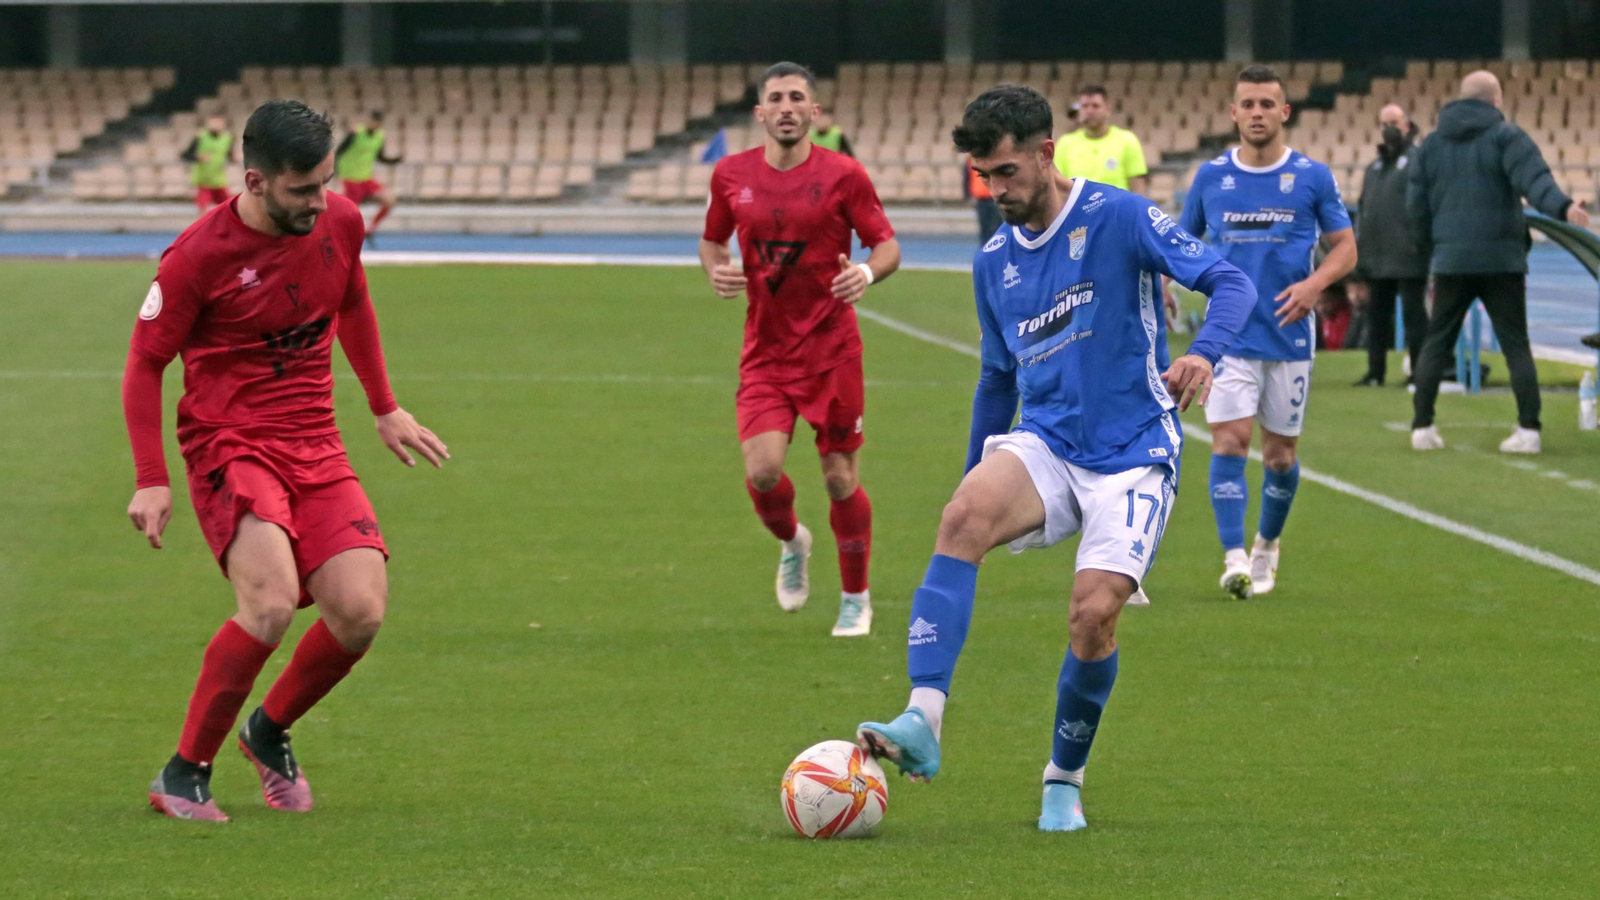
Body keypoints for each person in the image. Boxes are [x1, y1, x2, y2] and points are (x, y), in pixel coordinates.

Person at [855, 84, 1254, 832]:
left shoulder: (1121, 217)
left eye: (1005, 173)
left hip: (1134, 448)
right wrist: (975, 469)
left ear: (1045, 154)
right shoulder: (993, 261)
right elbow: (997, 378)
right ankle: (923, 720)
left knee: (1093, 616)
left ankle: (1062, 778)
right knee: (962, 516)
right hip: (1047, 440)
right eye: (983, 176)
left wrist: (1204, 353)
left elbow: (1230, 281)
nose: (995, 190)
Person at [125, 100, 449, 822]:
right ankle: (184, 771)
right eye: (303, 189)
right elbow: (144, 365)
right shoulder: (195, 257)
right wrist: (152, 479)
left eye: (326, 182)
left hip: (315, 442)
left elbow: (354, 303)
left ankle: (267, 732)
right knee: (269, 603)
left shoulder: (339, 221)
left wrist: (384, 404)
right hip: (229, 442)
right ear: (255, 180)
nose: (320, 201)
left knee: (360, 612)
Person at [699, 62, 901, 637]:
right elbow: (711, 240)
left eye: (797, 98)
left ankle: (855, 597)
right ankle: (794, 541)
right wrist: (716, 271)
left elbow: (887, 245)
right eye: (775, 99)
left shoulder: (844, 174)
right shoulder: (730, 175)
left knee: (839, 478)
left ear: (814, 112)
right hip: (765, 353)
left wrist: (865, 272)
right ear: (760, 113)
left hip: (832, 351)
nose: (786, 107)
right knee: (763, 473)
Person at [1179, 65, 1357, 599]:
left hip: (1288, 339)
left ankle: (1266, 545)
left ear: (1284, 112)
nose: (1257, 113)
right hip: (1228, 339)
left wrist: (1315, 286)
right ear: (1233, 113)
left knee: (1279, 456)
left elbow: (1346, 248)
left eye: (1266, 104)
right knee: (1229, 443)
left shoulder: (1311, 177)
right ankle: (1233, 558)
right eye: (1247, 104)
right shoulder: (1211, 177)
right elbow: (1181, 243)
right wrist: (1166, 283)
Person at [1407, 70, 1589, 454]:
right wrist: (1565, 207)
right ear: (1497, 100)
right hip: (1502, 259)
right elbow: (1534, 181)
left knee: (1436, 342)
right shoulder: (1507, 136)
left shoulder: (1431, 145)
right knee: (1515, 345)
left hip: (1452, 260)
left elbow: (1416, 209)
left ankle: (1422, 426)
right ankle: (1529, 430)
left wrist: (1434, 248)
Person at [1353, 105, 1429, 386]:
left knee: (1414, 319)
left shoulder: (1418, 160)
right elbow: (1364, 210)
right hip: (1378, 256)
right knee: (1377, 319)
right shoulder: (1374, 168)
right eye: (1384, 123)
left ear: (1407, 125)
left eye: (1394, 122)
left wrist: (1419, 242)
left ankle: (1419, 374)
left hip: (1409, 255)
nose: (1390, 128)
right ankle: (1376, 372)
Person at [1053, 85, 1148, 195]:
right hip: (1079, 211)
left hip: (1117, 210)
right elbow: (1058, 187)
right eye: (1084, 106)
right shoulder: (1065, 144)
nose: (1090, 111)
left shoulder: (1128, 141)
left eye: (1095, 106)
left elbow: (1138, 189)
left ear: (1108, 109)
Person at [335, 111, 404, 245]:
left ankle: (370, 229)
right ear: (369, 120)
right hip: (350, 178)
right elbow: (339, 151)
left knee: (389, 200)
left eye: (379, 122)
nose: (376, 124)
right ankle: (341, 234)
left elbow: (380, 157)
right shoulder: (355, 133)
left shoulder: (379, 136)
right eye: (374, 121)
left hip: (366, 178)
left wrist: (394, 160)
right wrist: (336, 170)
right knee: (351, 212)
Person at [180, 116, 235, 214]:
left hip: (219, 179)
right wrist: (198, 158)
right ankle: (205, 227)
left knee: (228, 207)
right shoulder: (200, 137)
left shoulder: (227, 138)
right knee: (203, 209)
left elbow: (229, 154)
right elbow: (185, 155)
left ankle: (226, 226)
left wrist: (232, 159)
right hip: (203, 180)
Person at [965, 155, 1001, 242]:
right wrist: (968, 195)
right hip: (980, 198)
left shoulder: (996, 156)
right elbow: (966, 177)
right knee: (984, 228)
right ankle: (985, 250)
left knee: (997, 228)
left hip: (995, 197)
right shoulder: (971, 159)